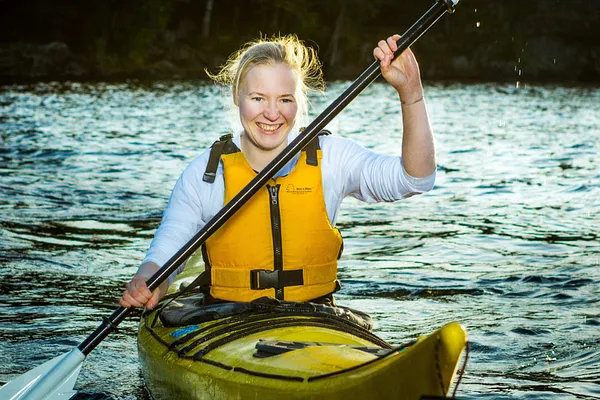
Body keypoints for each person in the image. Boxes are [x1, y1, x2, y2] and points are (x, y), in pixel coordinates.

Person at [119, 33, 436, 310]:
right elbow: (167, 249)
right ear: (237, 98)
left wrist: (411, 94)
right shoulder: (206, 172)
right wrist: (148, 281)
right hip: (226, 318)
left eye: (284, 99)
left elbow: (416, 178)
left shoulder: (332, 159)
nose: (272, 113)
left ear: (298, 102)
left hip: (314, 315)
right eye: (258, 98)